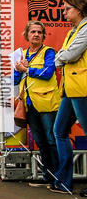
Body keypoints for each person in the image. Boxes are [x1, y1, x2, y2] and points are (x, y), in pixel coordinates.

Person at [14, 22, 60, 187]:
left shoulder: (49, 52)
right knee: (40, 142)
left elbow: (48, 73)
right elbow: (15, 79)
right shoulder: (22, 54)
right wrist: (18, 70)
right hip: (30, 104)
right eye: (33, 32)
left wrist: (27, 69)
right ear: (27, 34)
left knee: (51, 140)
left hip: (47, 104)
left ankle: (58, 178)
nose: (36, 35)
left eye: (39, 32)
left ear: (43, 35)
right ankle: (48, 176)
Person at [51, 0, 87, 195]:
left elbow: (70, 54)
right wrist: (61, 58)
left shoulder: (85, 29)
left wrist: (59, 59)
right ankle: (64, 181)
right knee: (59, 131)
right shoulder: (73, 31)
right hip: (70, 89)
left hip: (82, 88)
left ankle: (64, 180)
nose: (63, 12)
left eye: (67, 9)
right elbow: (65, 54)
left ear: (79, 8)